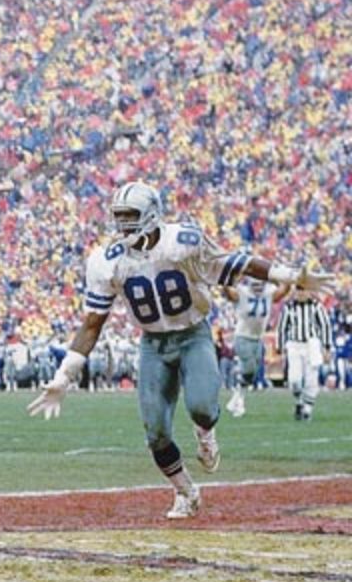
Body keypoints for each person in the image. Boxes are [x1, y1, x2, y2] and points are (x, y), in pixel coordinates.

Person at [28, 180, 334, 519]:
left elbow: (237, 263)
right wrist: (63, 376)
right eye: (119, 216)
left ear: (151, 215)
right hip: (153, 343)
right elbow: (92, 323)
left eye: (131, 216)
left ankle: (206, 432)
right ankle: (186, 492)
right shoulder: (106, 260)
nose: (123, 224)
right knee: (155, 431)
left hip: (193, 334)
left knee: (202, 407)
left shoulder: (183, 242)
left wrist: (291, 276)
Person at [222, 276, 282, 418]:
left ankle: (237, 397)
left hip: (258, 338)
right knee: (248, 368)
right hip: (242, 336)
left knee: (252, 374)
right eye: (255, 286)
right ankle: (239, 401)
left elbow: (282, 292)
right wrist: (230, 280)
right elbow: (229, 293)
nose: (258, 289)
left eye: (260, 285)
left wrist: (285, 278)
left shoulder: (269, 292)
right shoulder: (242, 292)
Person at [276, 289, 334, 421]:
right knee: (294, 379)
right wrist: (280, 347)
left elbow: (325, 325)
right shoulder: (289, 307)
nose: (300, 293)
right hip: (294, 345)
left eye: (303, 290)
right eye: (298, 290)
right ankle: (299, 401)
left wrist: (326, 347)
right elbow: (282, 328)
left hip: (311, 344)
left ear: (309, 292)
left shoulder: (316, 306)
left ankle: (307, 409)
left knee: (311, 378)